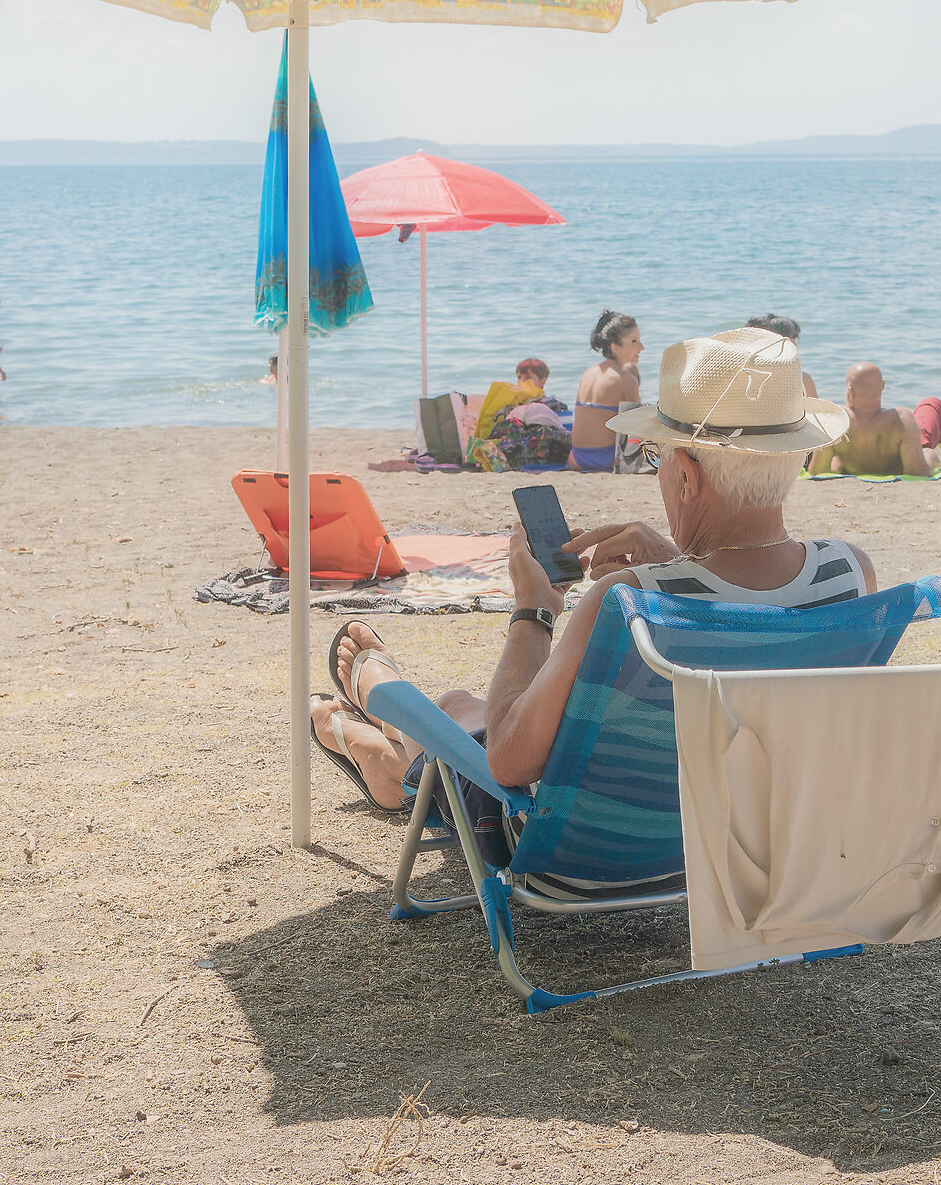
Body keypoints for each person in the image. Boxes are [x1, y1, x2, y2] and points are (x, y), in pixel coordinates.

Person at [309, 328, 870, 836]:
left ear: (688, 477)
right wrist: (683, 563)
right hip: (756, 840)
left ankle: (386, 741)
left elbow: (509, 761)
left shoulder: (626, 602)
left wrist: (535, 611)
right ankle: (385, 754)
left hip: (606, 857)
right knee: (467, 712)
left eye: (658, 456)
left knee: (460, 708)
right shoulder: (849, 573)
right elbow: (746, 618)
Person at [806, 362, 941, 477]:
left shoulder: (834, 419)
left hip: (854, 467)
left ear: (850, 390)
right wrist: (930, 456)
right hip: (899, 465)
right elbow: (917, 472)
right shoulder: (901, 418)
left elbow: (817, 472)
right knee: (932, 404)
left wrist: (841, 463)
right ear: (883, 386)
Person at [569, 309, 643, 472]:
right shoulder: (626, 380)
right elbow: (635, 432)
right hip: (607, 460)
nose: (641, 347)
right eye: (634, 341)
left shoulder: (589, 372)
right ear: (615, 347)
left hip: (577, 458)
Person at [745, 311, 818, 399]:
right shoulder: (802, 380)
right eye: (793, 337)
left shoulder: (745, 378)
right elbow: (813, 411)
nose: (795, 344)